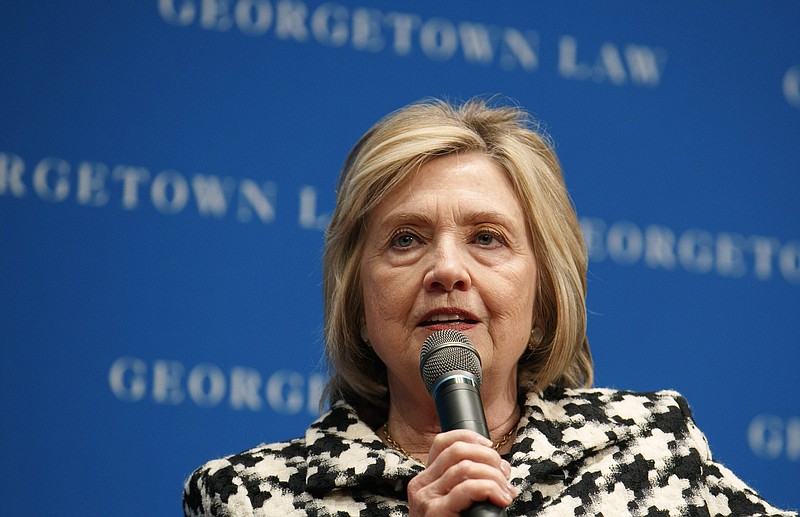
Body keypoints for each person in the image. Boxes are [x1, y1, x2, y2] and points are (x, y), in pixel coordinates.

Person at [183, 98, 796, 516]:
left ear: (542, 293)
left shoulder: (650, 449)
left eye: (486, 238)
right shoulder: (246, 498)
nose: (447, 270)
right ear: (357, 301)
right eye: (406, 239)